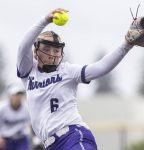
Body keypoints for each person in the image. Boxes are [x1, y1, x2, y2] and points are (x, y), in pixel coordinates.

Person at [17, 8, 135, 150]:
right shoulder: (29, 72)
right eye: (46, 49)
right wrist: (44, 21)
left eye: (56, 50)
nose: (52, 54)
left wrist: (126, 45)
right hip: (50, 146)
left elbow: (101, 67)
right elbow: (23, 47)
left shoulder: (67, 71)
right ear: (35, 51)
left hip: (73, 136)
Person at [0, 84, 31, 150]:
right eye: (16, 95)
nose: (18, 97)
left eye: (20, 95)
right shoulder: (2, 109)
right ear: (10, 96)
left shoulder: (26, 108)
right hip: (6, 139)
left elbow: (30, 124)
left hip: (21, 138)